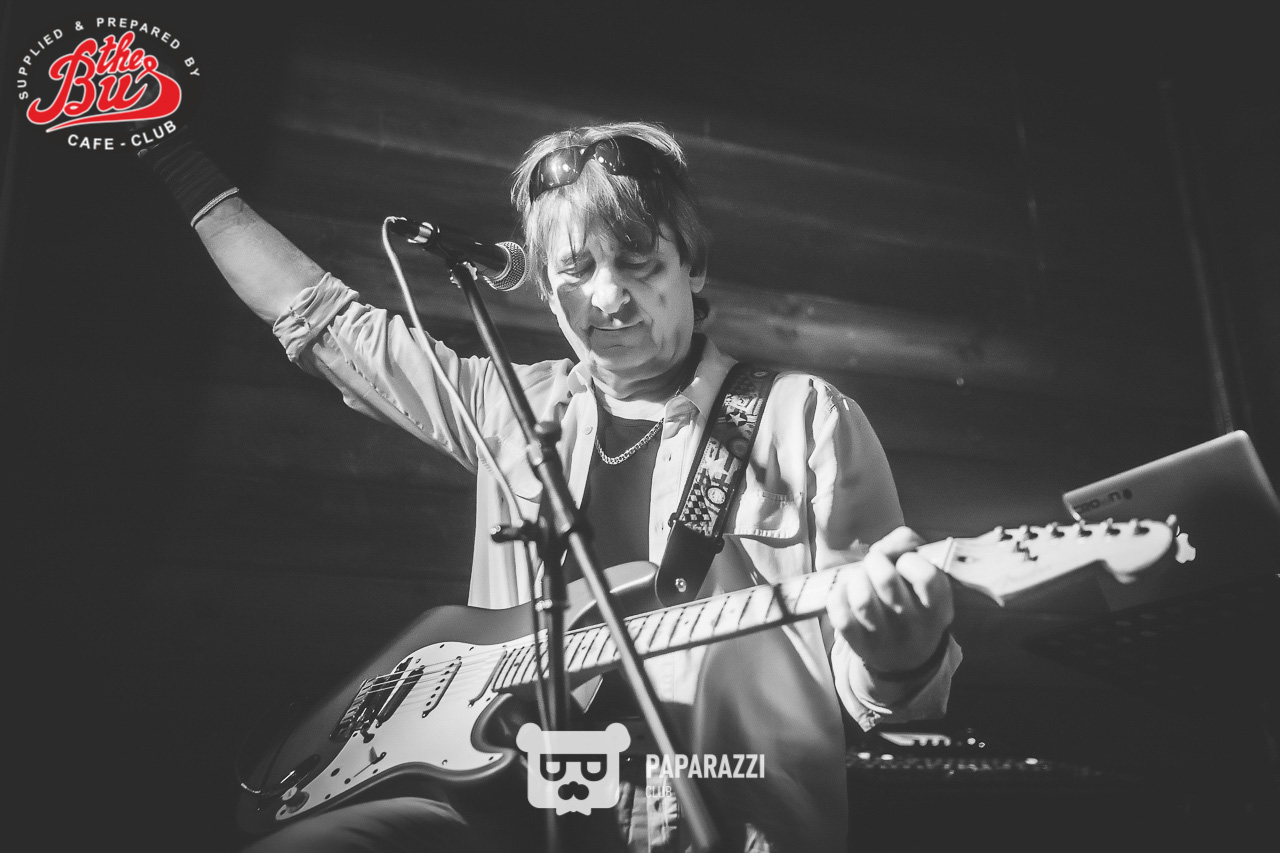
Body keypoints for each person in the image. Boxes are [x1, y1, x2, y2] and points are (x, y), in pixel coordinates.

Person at [141, 120, 961, 852]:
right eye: (577, 269)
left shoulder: (799, 416)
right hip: (505, 810)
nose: (608, 296)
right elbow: (319, 317)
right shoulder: (513, 408)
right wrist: (168, 150)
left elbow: (879, 692)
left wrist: (903, 653)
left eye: (639, 262)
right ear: (544, 285)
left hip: (721, 816)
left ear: (693, 263)